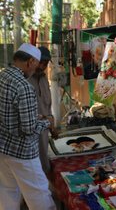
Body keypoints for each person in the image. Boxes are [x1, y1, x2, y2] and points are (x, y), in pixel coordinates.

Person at [0, 43, 56, 210]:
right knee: (39, 196)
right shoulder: (24, 86)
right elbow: (29, 129)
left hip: (3, 148)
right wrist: (48, 123)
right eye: (36, 65)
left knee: (8, 194)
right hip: (22, 151)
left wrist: (33, 117)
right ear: (31, 61)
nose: (36, 70)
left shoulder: (3, 77)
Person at [28, 46, 59, 181]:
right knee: (31, 169)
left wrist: (52, 128)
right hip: (29, 132)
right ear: (32, 61)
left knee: (43, 164)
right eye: (39, 62)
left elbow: (47, 107)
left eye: (44, 64)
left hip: (44, 131)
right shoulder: (26, 80)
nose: (41, 66)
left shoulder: (45, 79)